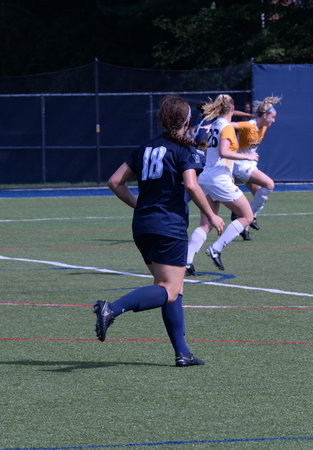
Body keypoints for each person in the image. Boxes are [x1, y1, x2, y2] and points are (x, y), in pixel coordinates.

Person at [93, 95, 225, 367]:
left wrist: (138, 204)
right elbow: (191, 185)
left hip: (143, 226)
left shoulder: (146, 147)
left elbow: (115, 181)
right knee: (168, 288)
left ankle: (182, 353)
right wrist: (212, 215)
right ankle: (112, 308)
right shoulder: (184, 150)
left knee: (174, 287)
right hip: (168, 226)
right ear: (187, 120)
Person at [185, 94, 258, 275]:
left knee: (206, 224)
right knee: (247, 216)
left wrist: (229, 172)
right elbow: (224, 152)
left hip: (207, 177)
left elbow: (215, 153)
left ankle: (186, 262)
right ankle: (216, 248)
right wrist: (247, 156)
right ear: (232, 108)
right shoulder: (226, 127)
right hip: (218, 180)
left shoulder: (216, 124)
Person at [230, 96, 281, 240]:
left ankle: (243, 226)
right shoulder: (249, 126)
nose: (274, 120)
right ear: (264, 116)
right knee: (269, 184)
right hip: (240, 164)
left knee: (261, 196)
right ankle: (249, 218)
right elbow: (228, 125)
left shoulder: (263, 126)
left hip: (250, 163)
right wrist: (211, 126)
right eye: (272, 117)